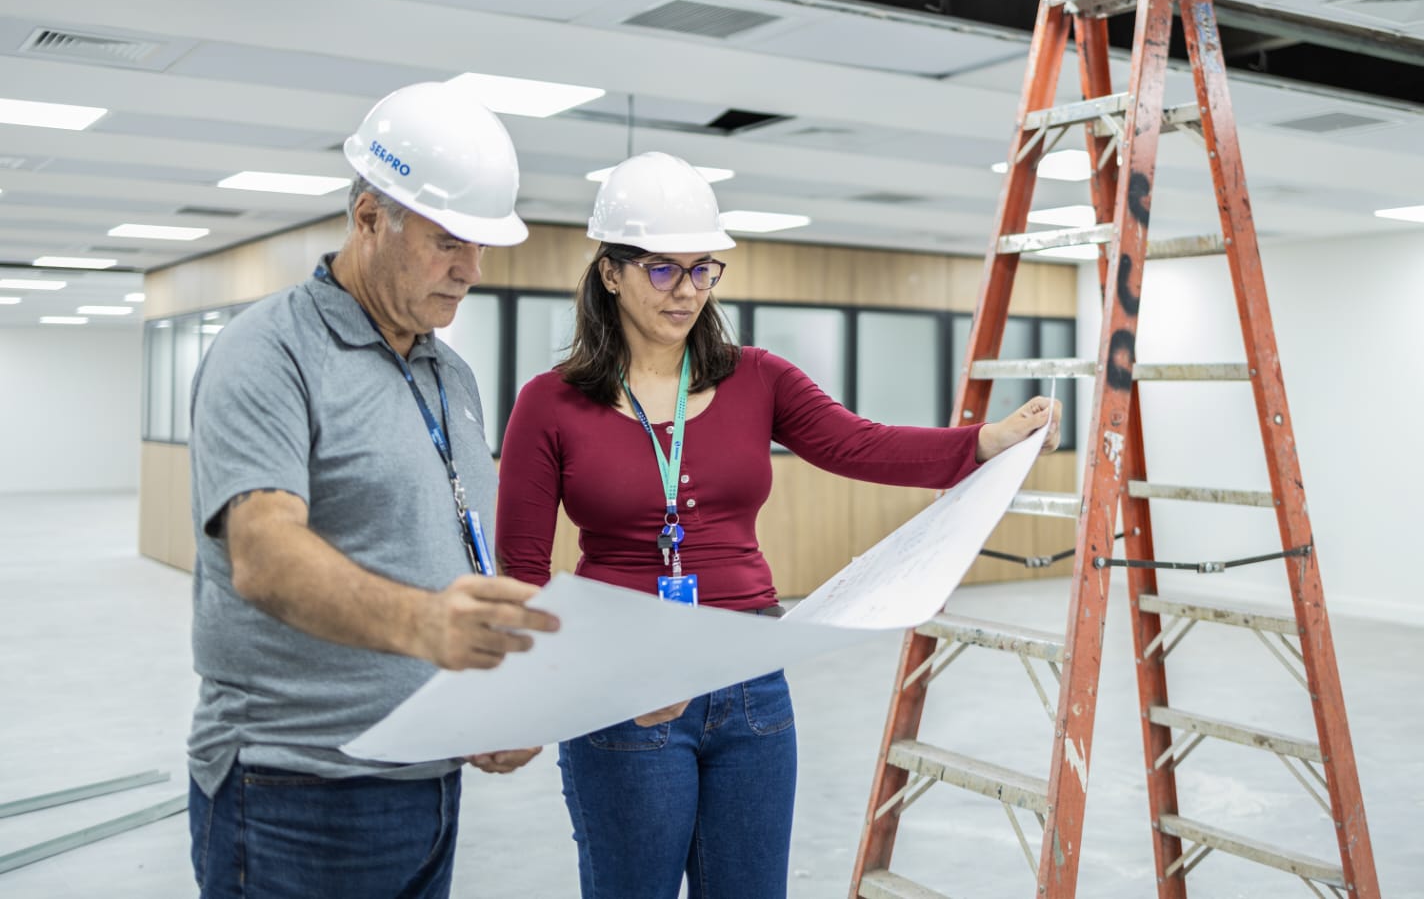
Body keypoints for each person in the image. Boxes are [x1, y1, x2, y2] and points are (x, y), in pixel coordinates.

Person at [495, 151, 1060, 899]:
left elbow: (858, 444)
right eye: (662, 270)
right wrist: (546, 692)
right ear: (610, 272)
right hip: (625, 686)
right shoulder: (550, 403)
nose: (687, 290)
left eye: (704, 269)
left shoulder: (757, 378)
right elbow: (523, 571)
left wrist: (983, 444)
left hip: (750, 686)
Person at [185, 81, 560, 899]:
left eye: (482, 248)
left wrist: (493, 698)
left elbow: (443, 545)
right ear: (367, 220)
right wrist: (427, 626)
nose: (470, 271)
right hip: (294, 790)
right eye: (448, 241)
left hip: (427, 779)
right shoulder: (268, 351)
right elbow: (264, 554)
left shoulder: (447, 373)